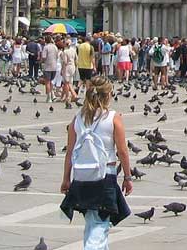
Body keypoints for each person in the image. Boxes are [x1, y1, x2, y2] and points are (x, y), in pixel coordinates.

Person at [59, 76, 132, 249]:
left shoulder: (76, 119)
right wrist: (128, 177)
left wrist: (66, 179)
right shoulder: (114, 118)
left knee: (93, 221)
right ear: (108, 95)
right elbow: (122, 151)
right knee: (99, 224)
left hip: (82, 175)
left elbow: (69, 152)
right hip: (105, 174)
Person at [42, 34, 60, 101]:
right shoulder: (55, 47)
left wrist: (41, 61)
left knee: (47, 82)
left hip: (47, 67)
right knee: (51, 82)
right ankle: (52, 95)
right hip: (54, 66)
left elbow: (44, 57)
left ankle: (49, 97)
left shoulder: (46, 47)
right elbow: (57, 56)